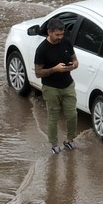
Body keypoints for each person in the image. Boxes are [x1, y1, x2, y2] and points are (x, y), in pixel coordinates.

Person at [34, 17, 78, 155]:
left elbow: (75, 60)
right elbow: (38, 73)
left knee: (72, 114)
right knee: (53, 115)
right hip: (51, 87)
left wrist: (73, 66)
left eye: (62, 34)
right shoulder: (41, 49)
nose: (60, 37)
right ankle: (54, 144)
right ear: (49, 32)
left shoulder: (66, 42)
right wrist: (54, 69)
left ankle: (70, 140)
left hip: (68, 84)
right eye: (57, 34)